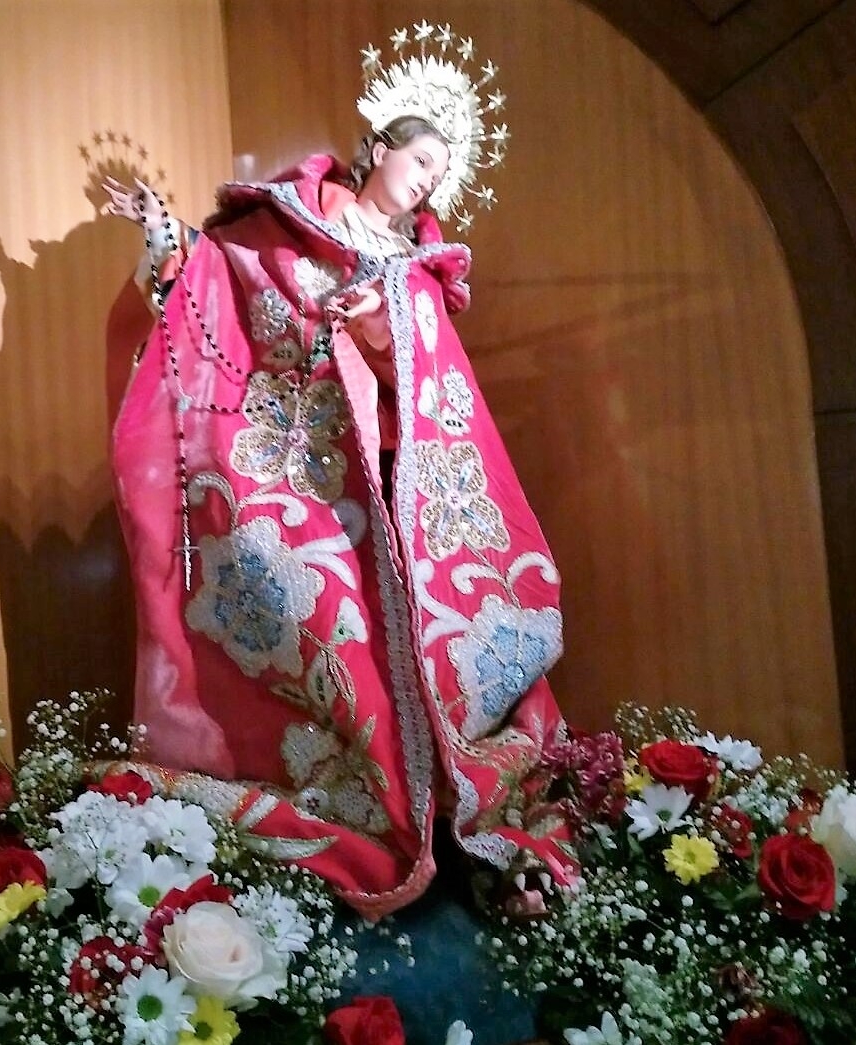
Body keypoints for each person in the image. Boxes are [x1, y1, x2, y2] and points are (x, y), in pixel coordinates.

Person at [100, 27, 570, 918]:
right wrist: (163, 236)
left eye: (442, 169)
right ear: (379, 149)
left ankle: (452, 828)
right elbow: (213, 284)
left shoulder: (421, 272)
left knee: (427, 659)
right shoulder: (281, 229)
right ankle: (358, 815)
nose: (429, 176)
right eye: (420, 156)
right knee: (327, 643)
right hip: (299, 481)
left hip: (403, 496)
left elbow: (437, 389)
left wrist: (382, 326)